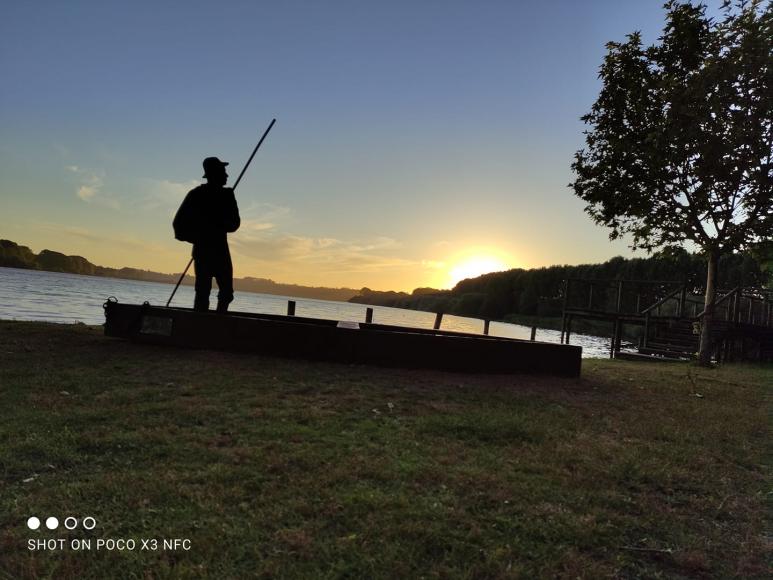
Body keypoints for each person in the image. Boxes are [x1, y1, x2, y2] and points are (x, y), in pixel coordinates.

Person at [173, 157, 240, 312]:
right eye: (223, 172)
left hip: (221, 252)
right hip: (203, 252)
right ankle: (200, 326)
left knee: (227, 293)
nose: (227, 175)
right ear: (215, 174)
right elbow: (178, 226)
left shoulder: (227, 195)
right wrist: (199, 238)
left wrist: (220, 221)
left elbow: (234, 224)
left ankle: (218, 321)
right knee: (202, 293)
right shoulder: (196, 195)